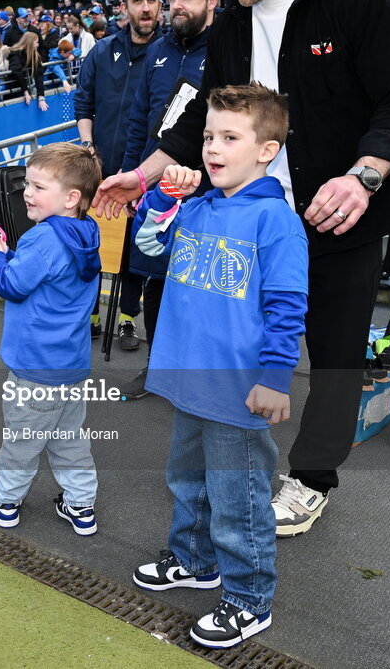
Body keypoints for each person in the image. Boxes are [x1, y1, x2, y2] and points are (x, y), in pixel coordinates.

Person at [93, 0, 390, 537]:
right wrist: (143, 174)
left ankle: (312, 480)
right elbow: (199, 125)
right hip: (249, 220)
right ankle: (237, 470)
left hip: (341, 216)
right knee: (245, 354)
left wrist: (363, 176)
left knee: (332, 355)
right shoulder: (232, 25)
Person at [130, 83, 307, 649]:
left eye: (230, 137)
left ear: (267, 150)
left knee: (238, 501)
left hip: (238, 390)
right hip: (189, 382)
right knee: (187, 483)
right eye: (208, 135)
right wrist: (162, 197)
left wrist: (275, 379)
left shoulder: (276, 223)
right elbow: (149, 249)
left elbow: (287, 307)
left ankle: (249, 599)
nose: (211, 147)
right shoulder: (198, 205)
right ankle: (193, 560)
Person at [0, 142, 103, 537]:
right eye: (27, 183)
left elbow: (12, 284)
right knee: (70, 440)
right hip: (72, 366)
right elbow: (45, 278)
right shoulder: (86, 230)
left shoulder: (43, 238)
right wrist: (11, 256)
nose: (27, 192)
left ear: (71, 197)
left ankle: (7, 501)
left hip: (33, 367)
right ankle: (81, 506)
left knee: (21, 440)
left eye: (38, 186)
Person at [119, 0, 219, 397]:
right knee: (156, 278)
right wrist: (130, 177)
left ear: (213, 1)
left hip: (207, 190)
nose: (175, 6)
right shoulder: (159, 49)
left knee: (205, 283)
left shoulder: (229, 48)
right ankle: (158, 367)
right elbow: (139, 121)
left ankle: (206, 376)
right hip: (156, 187)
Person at [75, 0, 161, 340]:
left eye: (153, 0)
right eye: (138, 1)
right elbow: (84, 102)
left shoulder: (169, 53)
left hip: (147, 172)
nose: (146, 7)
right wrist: (87, 144)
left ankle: (128, 318)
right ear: (124, 8)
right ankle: (91, 317)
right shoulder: (101, 50)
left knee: (134, 253)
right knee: (91, 245)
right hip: (101, 169)